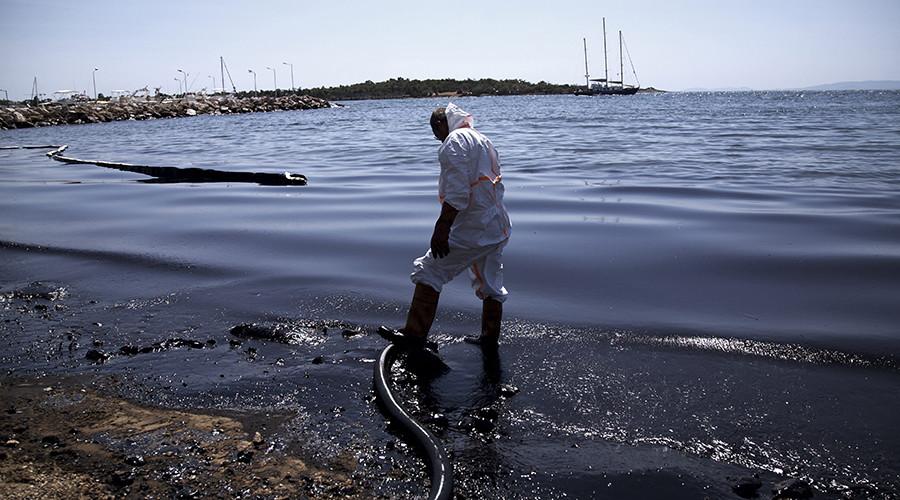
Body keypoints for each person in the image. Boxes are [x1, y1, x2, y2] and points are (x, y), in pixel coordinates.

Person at [380, 103, 511, 351]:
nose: (436, 138)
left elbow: (458, 192)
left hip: (474, 227)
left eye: (435, 132)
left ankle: (414, 336)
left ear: (442, 123)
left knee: (430, 271)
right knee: (491, 283)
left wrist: (442, 227)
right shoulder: (481, 139)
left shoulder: (454, 141)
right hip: (497, 225)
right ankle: (489, 341)